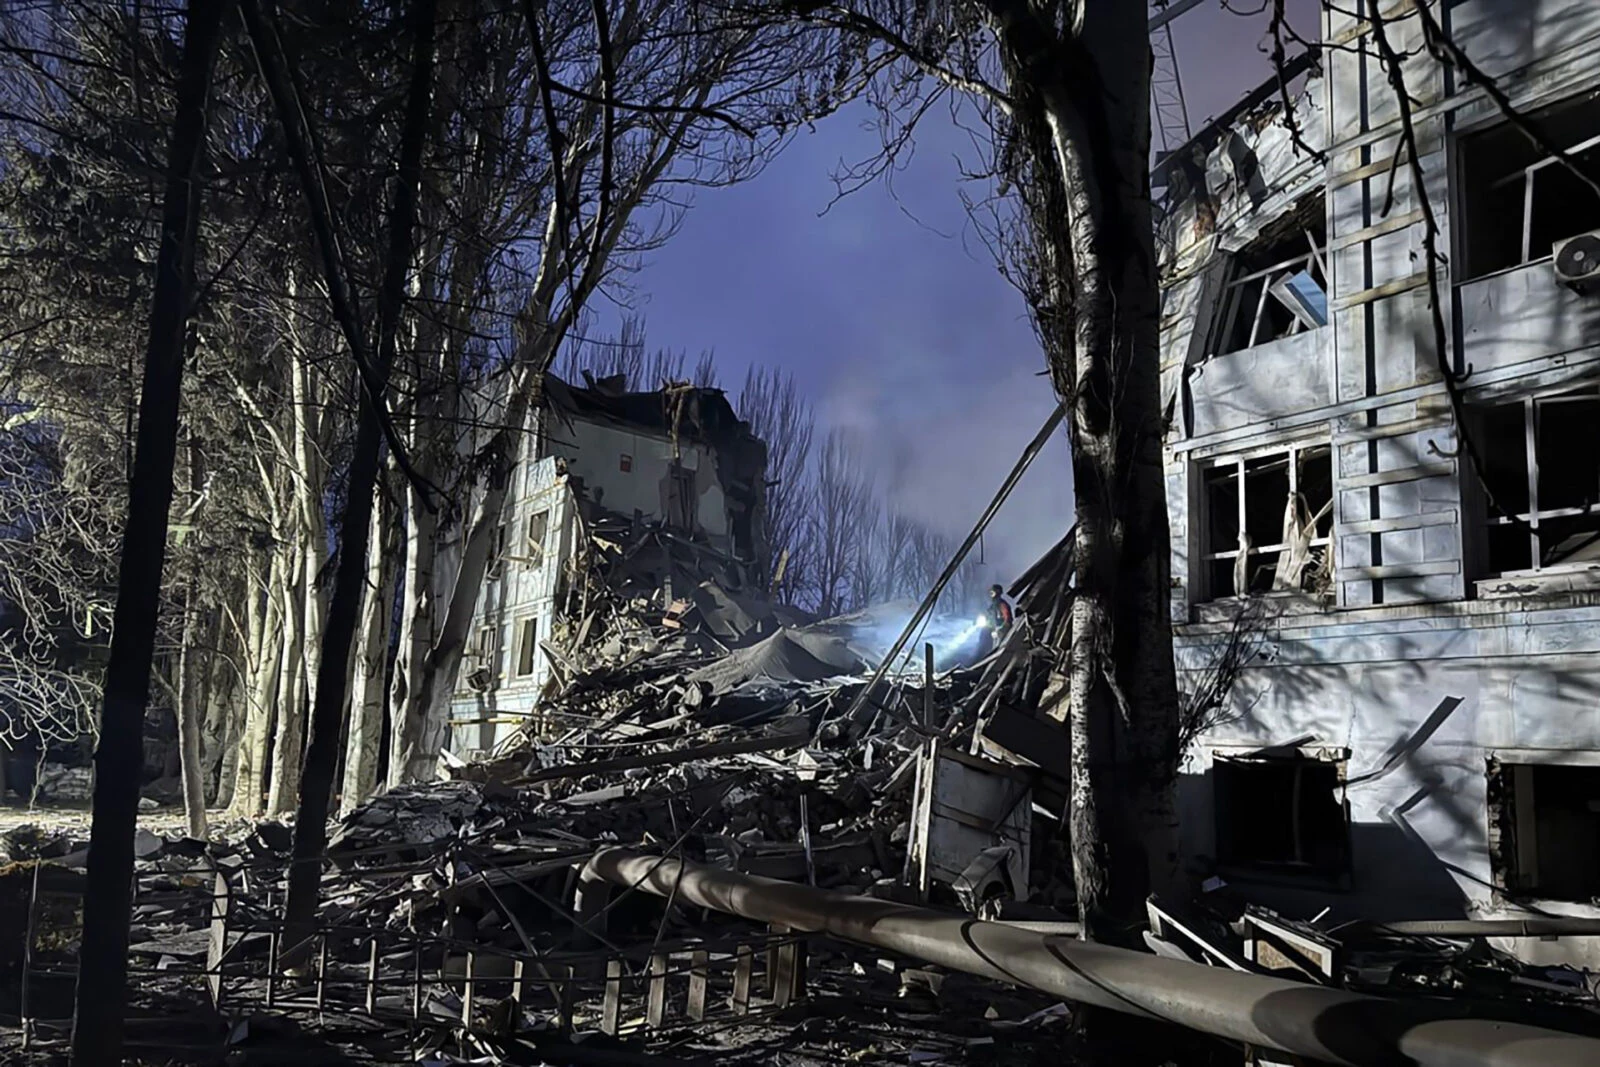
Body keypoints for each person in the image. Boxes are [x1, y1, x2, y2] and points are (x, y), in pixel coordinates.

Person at [977, 583, 1013, 655]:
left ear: (997, 592)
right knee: (993, 648)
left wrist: (1001, 629)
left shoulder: (1001, 604)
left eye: (992, 592)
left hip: (1001, 630)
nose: (990, 594)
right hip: (996, 629)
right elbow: (989, 616)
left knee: (999, 649)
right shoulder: (993, 605)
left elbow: (1007, 618)